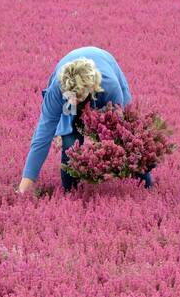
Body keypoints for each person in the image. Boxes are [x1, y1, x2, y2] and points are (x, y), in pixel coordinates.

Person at [16, 46, 152, 193]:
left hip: (104, 77)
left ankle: (146, 186)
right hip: (71, 88)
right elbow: (42, 135)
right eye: (71, 95)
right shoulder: (59, 88)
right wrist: (24, 187)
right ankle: (71, 192)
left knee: (128, 138)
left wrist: (102, 154)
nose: (74, 101)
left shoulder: (110, 87)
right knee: (70, 145)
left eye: (77, 96)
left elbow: (119, 129)